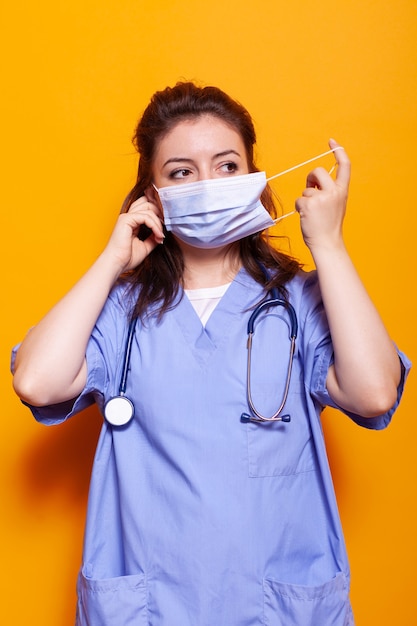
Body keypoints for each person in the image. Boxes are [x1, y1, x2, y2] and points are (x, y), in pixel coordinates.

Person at [12, 82, 410, 626]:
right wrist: (112, 259)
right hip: (149, 610)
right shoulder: (119, 309)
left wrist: (331, 246)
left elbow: (373, 392)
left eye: (226, 166)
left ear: (253, 178)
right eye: (181, 172)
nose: (207, 184)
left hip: (275, 608)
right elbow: (36, 380)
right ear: (152, 197)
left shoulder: (301, 301)